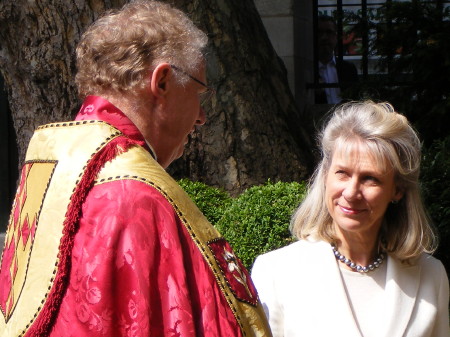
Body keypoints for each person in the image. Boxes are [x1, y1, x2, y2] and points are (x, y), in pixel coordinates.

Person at [0, 1, 272, 336]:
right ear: (162, 82)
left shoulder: (56, 165)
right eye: (199, 92)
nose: (201, 116)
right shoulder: (133, 196)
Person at [252, 101, 449, 336]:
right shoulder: (276, 272)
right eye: (342, 173)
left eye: (370, 179)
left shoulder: (431, 275)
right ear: (325, 175)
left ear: (398, 190)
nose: (351, 193)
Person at [316, 15, 359, 104]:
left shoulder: (348, 68)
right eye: (319, 33)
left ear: (336, 37)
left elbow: (355, 100)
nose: (324, 37)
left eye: (329, 32)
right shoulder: (307, 71)